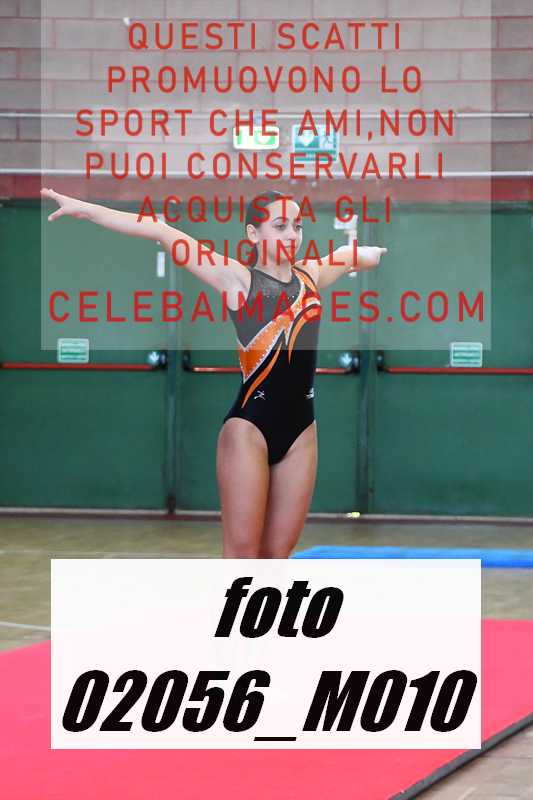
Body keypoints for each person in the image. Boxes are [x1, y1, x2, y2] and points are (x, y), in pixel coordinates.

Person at [40, 187, 387, 558]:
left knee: (277, 554)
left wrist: (374, 254)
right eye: (280, 225)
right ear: (253, 233)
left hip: (302, 433)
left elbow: (349, 256)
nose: (291, 235)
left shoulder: (311, 276)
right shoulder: (238, 280)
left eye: (297, 226)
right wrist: (86, 209)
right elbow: (161, 230)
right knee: (242, 554)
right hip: (250, 429)